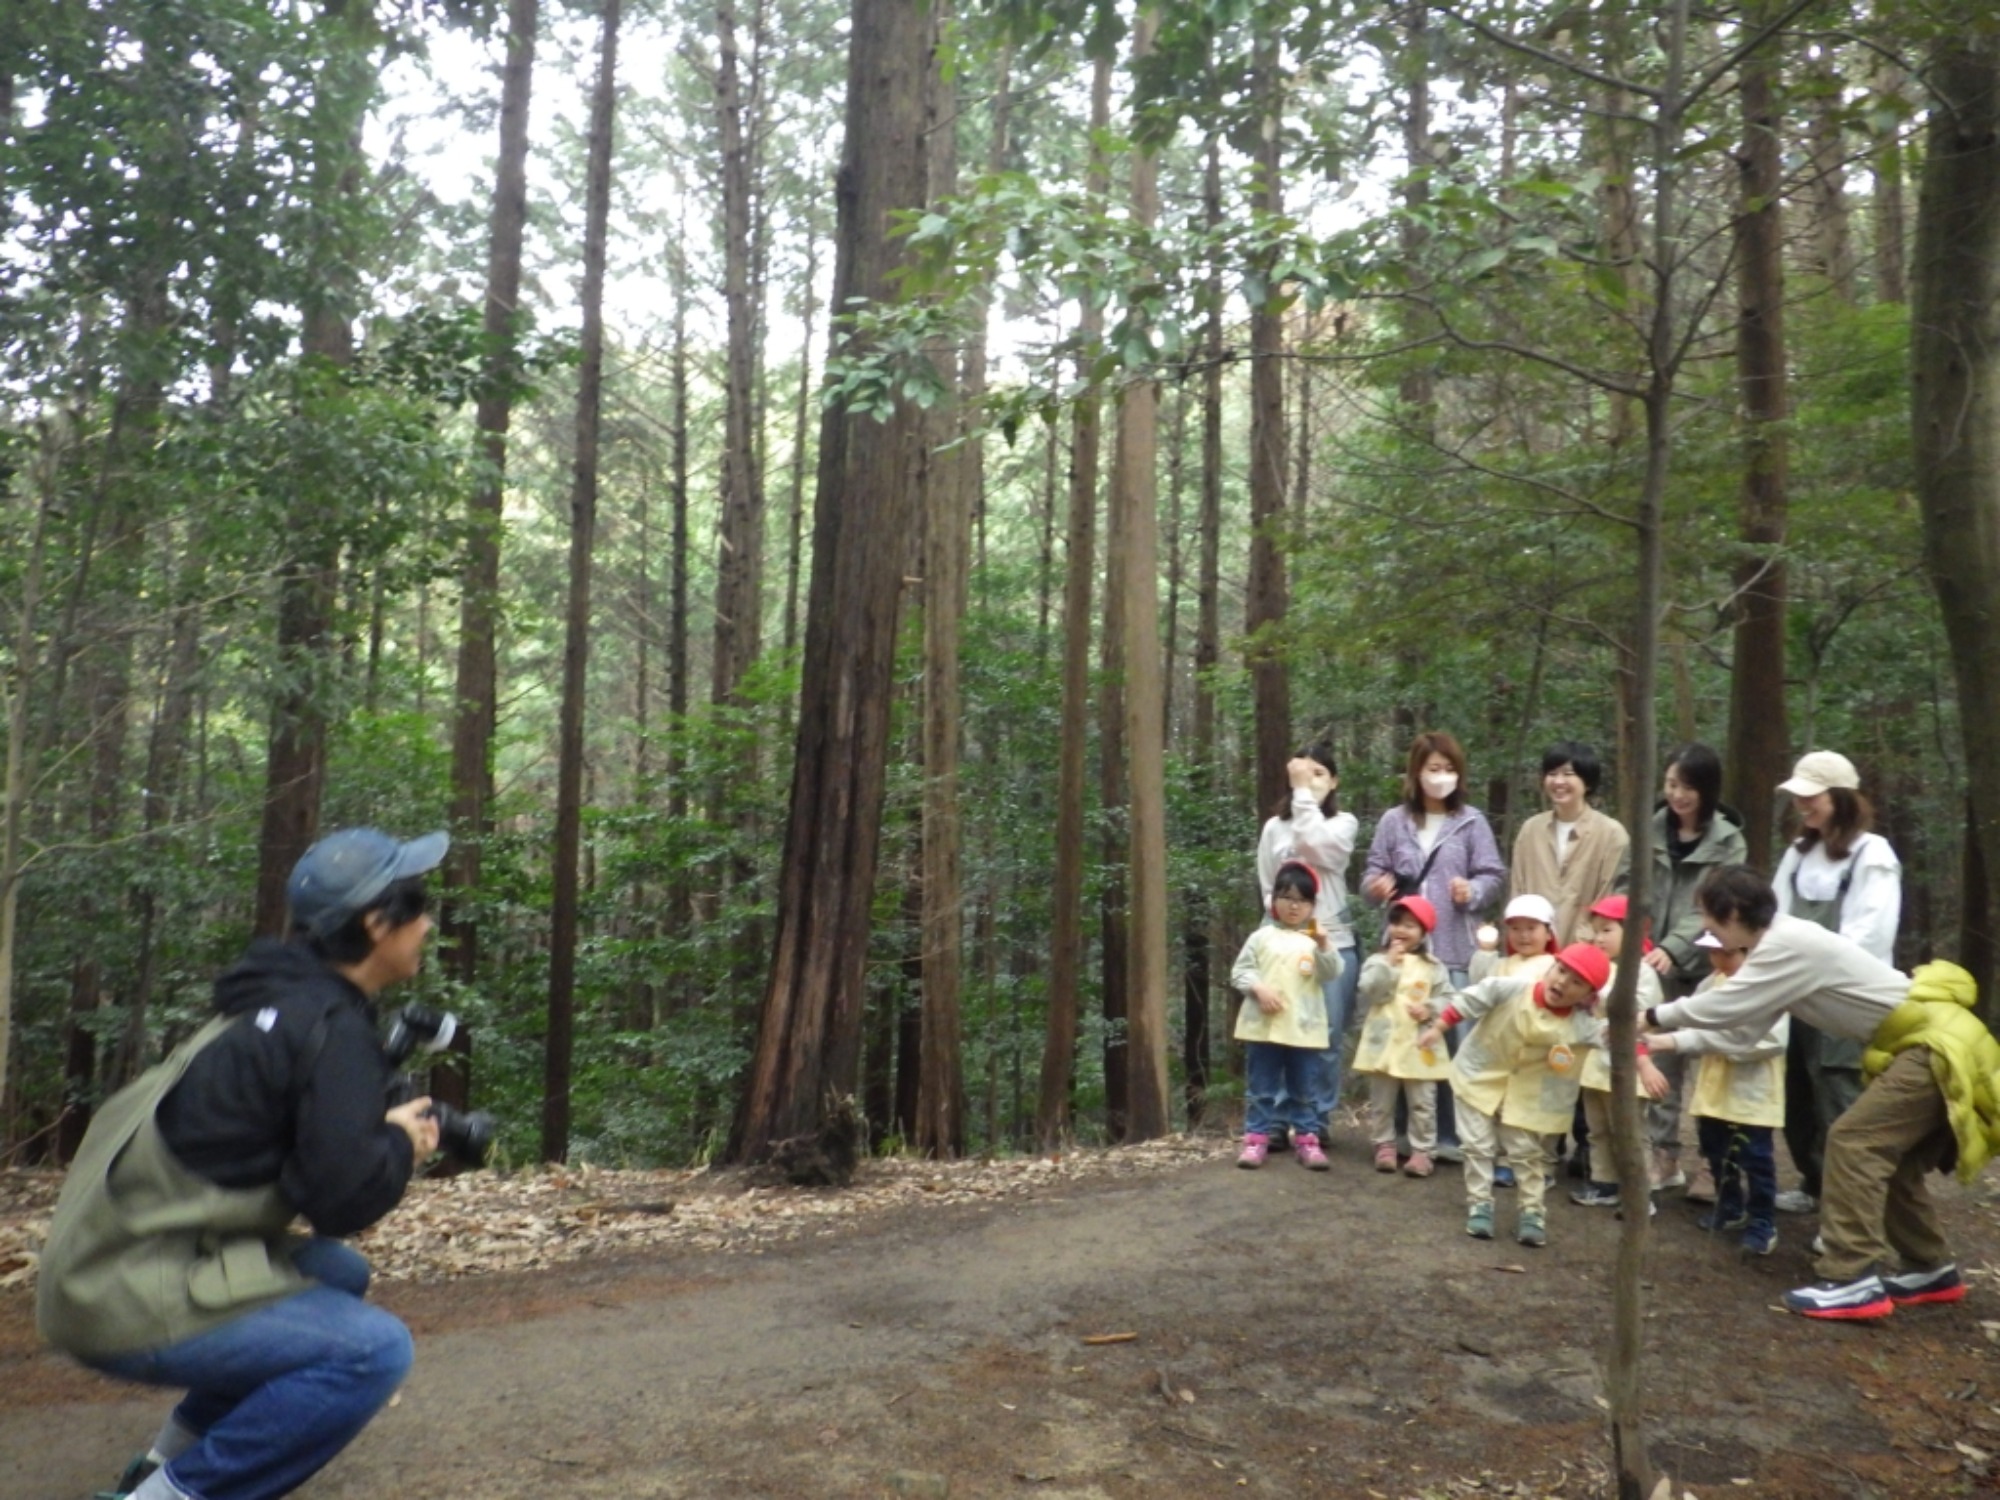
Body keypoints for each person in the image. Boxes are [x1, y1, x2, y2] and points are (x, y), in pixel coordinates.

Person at [38, 827, 451, 1500]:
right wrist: (403, 1143)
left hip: (99, 1270)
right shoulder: (328, 1028)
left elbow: (302, 1165)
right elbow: (340, 1202)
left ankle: (162, 1461)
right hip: (119, 1299)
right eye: (420, 904)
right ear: (378, 924)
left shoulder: (270, 1000)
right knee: (373, 1352)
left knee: (335, 1271)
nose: (429, 922)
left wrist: (372, 1128)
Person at [1648, 864, 2000, 1320]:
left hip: (1933, 1045)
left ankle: (1852, 1277)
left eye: (1707, 917)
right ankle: (1929, 1268)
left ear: (1733, 912)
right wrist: (1666, 1042)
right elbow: (1741, 1034)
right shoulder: (1771, 952)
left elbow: (1725, 1005)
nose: (1705, 928)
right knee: (1894, 1159)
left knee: (1855, 1142)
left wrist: (1653, 1016)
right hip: (1925, 1045)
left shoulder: (1785, 944)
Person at [1361, 731, 1506, 1161]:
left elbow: (1493, 874)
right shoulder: (1393, 821)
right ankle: (1405, 1135)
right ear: (1416, 773)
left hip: (1454, 946)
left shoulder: (1471, 822)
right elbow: (1370, 873)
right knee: (1403, 1036)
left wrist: (1473, 891)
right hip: (1402, 950)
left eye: (1448, 769)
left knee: (1454, 1041)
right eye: (1432, 769)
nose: (1440, 777)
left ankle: (1450, 1136)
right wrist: (1376, 887)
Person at [1771, 750, 1903, 1216]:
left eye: (1812, 796)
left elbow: (1869, 934)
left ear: (1841, 798)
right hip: (1798, 998)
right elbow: (1776, 916)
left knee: (1840, 1101)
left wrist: (1815, 976)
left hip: (1846, 1001)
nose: (1803, 805)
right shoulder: (1798, 854)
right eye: (1799, 797)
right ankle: (1814, 1181)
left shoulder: (1873, 855)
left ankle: (1852, 1206)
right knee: (1798, 1097)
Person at [1417, 941, 1613, 1249]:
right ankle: (1480, 1204)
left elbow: (1616, 1036)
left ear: (1589, 995)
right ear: (1551, 967)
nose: (1562, 982)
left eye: (1576, 982)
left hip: (1527, 1095)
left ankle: (1532, 1210)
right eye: (1561, 971)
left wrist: (1645, 1053)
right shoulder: (1510, 989)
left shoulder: (1581, 1025)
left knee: (1526, 1152)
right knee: (1477, 1145)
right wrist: (1438, 1028)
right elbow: (1471, 1000)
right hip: (1478, 1078)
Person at [1640, 742, 1747, 1200]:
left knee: (1710, 1065)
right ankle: (1664, 1156)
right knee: (1660, 1059)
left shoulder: (1728, 841)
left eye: (1686, 786)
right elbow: (1633, 884)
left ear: (1705, 790)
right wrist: (1637, 937)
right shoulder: (1652, 828)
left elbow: (1713, 905)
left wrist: (1673, 946)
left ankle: (1713, 1162)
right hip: (1652, 961)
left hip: (1708, 959)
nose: (1678, 795)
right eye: (1671, 785)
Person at [1645, 931, 1787, 1255]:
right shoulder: (1711, 984)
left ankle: (1763, 1220)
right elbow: (1693, 1018)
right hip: (1713, 1090)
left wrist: (1719, 1041)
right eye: (1714, 954)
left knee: (1756, 1159)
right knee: (1717, 1150)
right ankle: (1730, 1205)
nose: (1719, 961)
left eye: (1726, 954)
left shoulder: (1770, 988)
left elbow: (1772, 1040)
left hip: (1752, 1093)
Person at [1256, 743, 1361, 1143]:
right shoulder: (1273, 828)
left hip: (1331, 941)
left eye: (1321, 774)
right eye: (1305, 772)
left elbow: (1321, 847)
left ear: (1334, 781)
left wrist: (1302, 795)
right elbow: (1268, 884)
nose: (1312, 780)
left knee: (1328, 1034)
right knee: (1283, 1028)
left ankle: (1315, 1119)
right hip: (1282, 943)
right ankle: (1278, 1120)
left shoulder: (1343, 823)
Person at [1232, 861, 1344, 1170]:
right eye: (1287, 898)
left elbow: (1332, 971)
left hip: (1303, 1030)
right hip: (1263, 1028)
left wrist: (1323, 943)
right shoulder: (1261, 937)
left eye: (1302, 900)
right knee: (1261, 1087)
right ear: (1274, 900)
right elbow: (1240, 972)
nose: (1294, 906)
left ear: (1312, 905)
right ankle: (1256, 1139)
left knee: (1305, 1088)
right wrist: (1259, 988)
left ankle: (1308, 1140)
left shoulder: (1315, 941)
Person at [1568, 895, 1670, 1212]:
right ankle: (1604, 1182)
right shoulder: (1601, 966)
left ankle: (1639, 1192)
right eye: (1596, 930)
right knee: (1597, 1127)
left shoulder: (1641, 971)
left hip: (1630, 1064)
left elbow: (1640, 1013)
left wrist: (1599, 993)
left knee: (1629, 1130)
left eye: (1607, 930)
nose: (1599, 938)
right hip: (1595, 1064)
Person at [1352, 896, 1453, 1176]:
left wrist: (1430, 1008)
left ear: (1423, 932)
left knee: (1423, 1100)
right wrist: (1389, 965)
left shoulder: (1433, 966)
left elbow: (1449, 998)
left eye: (1410, 925)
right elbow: (1371, 991)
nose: (1401, 930)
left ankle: (1423, 1150)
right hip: (1383, 1042)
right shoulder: (1376, 961)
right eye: (1397, 923)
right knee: (1382, 1100)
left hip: (1420, 1043)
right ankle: (1384, 1144)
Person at [1509, 740, 1631, 945]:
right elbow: (1518, 892)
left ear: (1588, 782)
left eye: (1568, 774)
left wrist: (1587, 940)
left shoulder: (1611, 834)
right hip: (1533, 950)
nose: (1558, 781)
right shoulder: (1531, 830)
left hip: (1587, 953)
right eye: (1552, 774)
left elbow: (1610, 900)